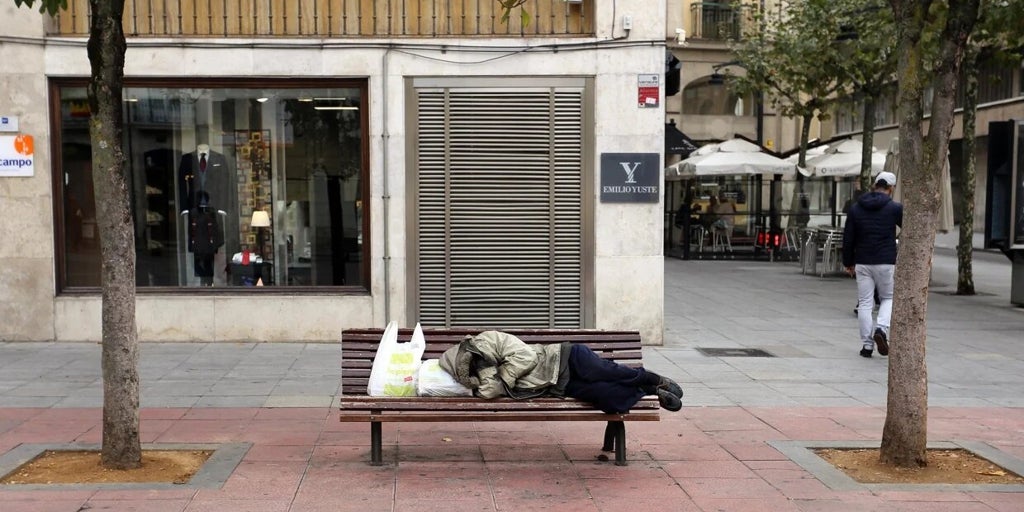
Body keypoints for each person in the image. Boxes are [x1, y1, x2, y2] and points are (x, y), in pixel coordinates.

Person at [438, 330, 684, 413]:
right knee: (610, 399)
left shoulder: (489, 339)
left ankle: (652, 379)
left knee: (608, 372)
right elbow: (488, 393)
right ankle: (648, 391)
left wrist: (502, 377)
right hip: (558, 386)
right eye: (473, 367)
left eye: (476, 359)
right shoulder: (481, 375)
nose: (479, 363)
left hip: (566, 358)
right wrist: (493, 376)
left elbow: (526, 356)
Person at [842, 171, 903, 358]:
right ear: (891, 188)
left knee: (865, 303)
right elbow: (907, 230)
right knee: (888, 298)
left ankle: (867, 346)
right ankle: (882, 329)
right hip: (886, 261)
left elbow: (848, 238)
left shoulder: (856, 208)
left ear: (874, 185)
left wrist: (848, 262)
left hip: (862, 261)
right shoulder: (895, 208)